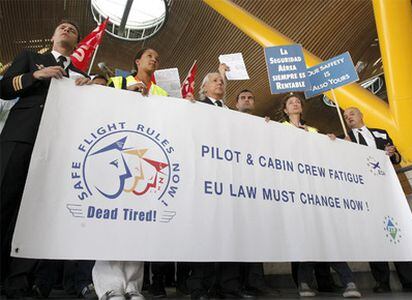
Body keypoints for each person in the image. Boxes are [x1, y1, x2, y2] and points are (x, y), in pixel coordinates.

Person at [0, 20, 92, 298]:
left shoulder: (80, 74)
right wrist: (35, 77)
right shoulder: (32, 58)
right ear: (53, 36)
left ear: (77, 43)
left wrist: (90, 94)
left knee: (33, 214)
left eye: (72, 30)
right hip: (20, 138)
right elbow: (3, 88)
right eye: (62, 27)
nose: (66, 30)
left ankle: (18, 281)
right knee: (3, 202)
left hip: (55, 149)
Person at [92, 48, 168, 300]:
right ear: (137, 61)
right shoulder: (117, 82)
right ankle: (110, 286)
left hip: (144, 158)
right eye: (149, 56)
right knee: (113, 218)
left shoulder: (162, 93)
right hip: (118, 155)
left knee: (139, 221)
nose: (154, 59)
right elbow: (99, 104)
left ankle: (133, 286)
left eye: (157, 57)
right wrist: (125, 94)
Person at [280, 93, 360, 298]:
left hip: (318, 190)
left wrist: (332, 141)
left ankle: (349, 283)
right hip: (296, 189)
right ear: (285, 110)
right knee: (309, 236)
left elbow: (324, 155)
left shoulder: (314, 130)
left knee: (328, 233)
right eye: (291, 102)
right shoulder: (279, 128)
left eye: (298, 101)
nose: (295, 103)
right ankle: (305, 282)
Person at [186, 72, 253, 300]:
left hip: (229, 179)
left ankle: (229, 287)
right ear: (203, 88)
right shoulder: (194, 106)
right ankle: (200, 287)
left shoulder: (230, 113)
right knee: (206, 233)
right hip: (206, 177)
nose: (220, 82)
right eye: (215, 80)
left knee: (230, 233)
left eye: (221, 80)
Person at [343, 107, 412, 293]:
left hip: (389, 189)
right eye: (345, 116)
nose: (348, 117)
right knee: (374, 234)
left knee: (399, 231)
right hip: (366, 191)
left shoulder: (381, 133)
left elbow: (396, 158)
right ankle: (382, 281)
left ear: (360, 115)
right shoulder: (347, 138)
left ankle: (409, 279)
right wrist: (345, 148)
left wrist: (392, 153)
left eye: (351, 113)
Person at [235, 89, 280, 297]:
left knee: (256, 234)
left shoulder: (264, 124)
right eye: (243, 98)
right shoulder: (227, 119)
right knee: (238, 235)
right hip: (235, 184)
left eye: (250, 97)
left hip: (257, 185)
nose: (247, 100)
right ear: (236, 104)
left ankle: (256, 281)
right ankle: (238, 283)